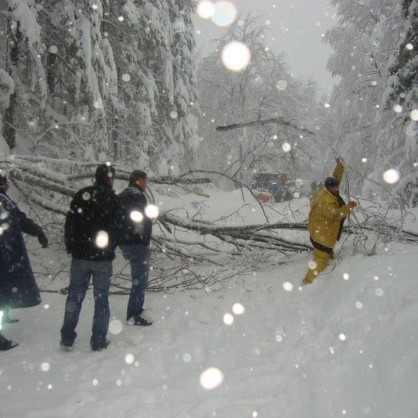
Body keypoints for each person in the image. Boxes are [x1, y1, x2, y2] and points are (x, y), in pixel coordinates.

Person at [60, 163, 122, 351]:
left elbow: (70, 223)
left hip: (81, 256)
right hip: (102, 258)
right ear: (110, 178)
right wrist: (111, 247)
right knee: (101, 299)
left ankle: (67, 337)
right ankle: (98, 340)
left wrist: (72, 246)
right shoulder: (113, 199)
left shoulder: (82, 195)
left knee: (74, 296)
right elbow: (119, 227)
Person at [0, 171, 48, 351]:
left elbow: (19, 219)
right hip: (4, 254)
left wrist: (37, 231)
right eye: (5, 182)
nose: (8, 185)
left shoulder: (5, 200)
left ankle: (4, 315)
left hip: (8, 254)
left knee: (4, 288)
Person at [302, 157, 357, 285]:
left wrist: (339, 166)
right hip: (322, 234)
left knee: (323, 252)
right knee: (321, 258)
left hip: (316, 230)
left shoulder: (324, 190)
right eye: (335, 188)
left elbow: (335, 180)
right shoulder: (326, 202)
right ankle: (307, 280)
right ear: (329, 188)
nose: (337, 189)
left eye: (337, 187)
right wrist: (348, 206)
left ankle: (328, 255)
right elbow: (337, 214)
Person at [119, 170, 154, 326]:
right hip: (136, 243)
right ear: (139, 180)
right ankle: (134, 314)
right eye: (145, 181)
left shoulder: (122, 195)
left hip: (126, 242)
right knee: (139, 280)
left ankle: (136, 309)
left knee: (138, 279)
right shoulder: (137, 196)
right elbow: (141, 219)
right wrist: (144, 239)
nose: (146, 184)